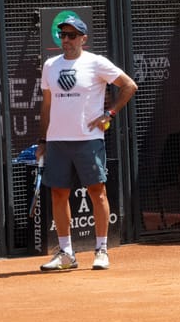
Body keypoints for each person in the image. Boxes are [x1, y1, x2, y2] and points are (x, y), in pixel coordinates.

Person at [37, 15, 137, 271]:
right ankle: (66, 254)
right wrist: (42, 139)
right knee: (58, 194)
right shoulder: (50, 65)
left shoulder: (96, 63)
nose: (67, 40)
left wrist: (109, 114)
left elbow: (129, 86)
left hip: (88, 139)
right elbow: (47, 105)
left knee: (97, 192)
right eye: (63, 35)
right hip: (57, 140)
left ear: (84, 39)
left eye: (72, 35)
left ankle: (101, 250)